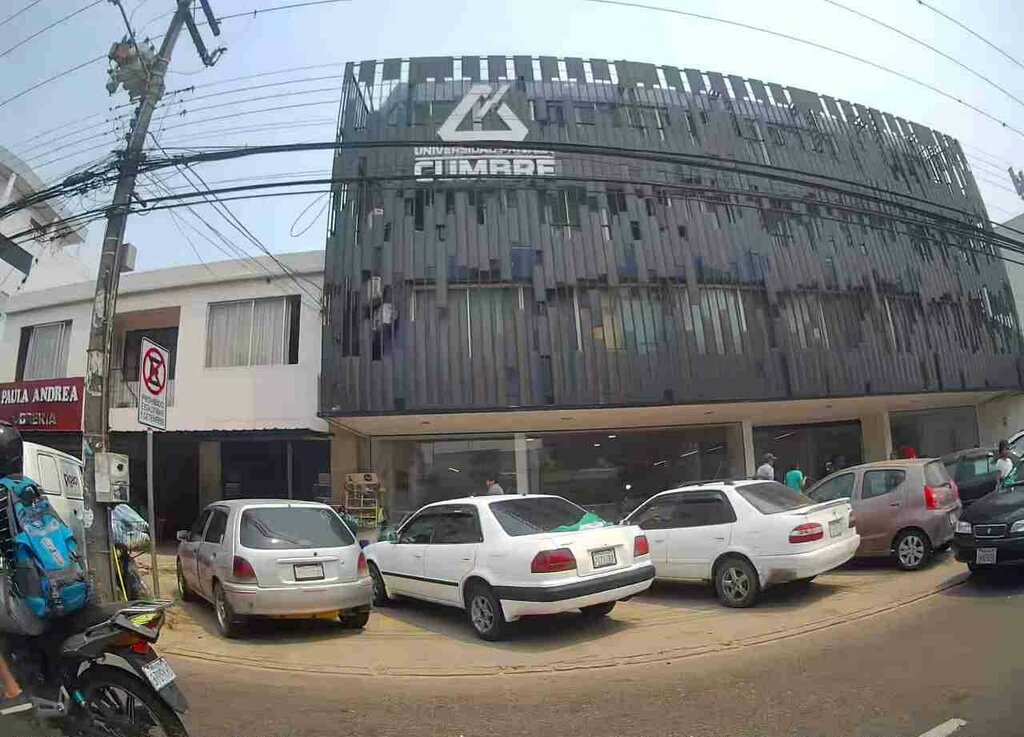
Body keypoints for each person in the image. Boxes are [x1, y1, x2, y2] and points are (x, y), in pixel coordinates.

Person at [0, 422, 36, 716]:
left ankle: (12, 689)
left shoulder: (0, 494)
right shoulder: (30, 488)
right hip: (55, 578)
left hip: (26, 588)